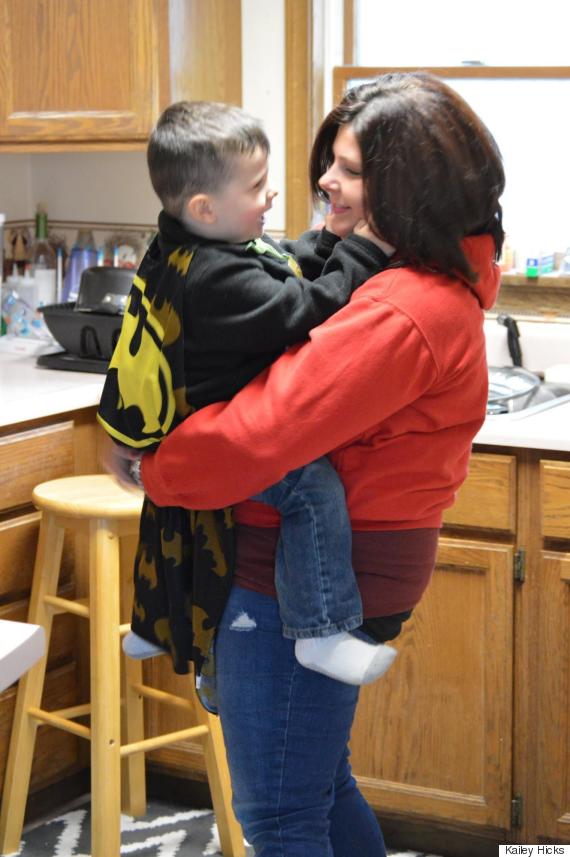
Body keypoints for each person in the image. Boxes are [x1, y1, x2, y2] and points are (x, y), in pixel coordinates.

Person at [109, 71, 505, 856]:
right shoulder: (421, 279)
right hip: (332, 566)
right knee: (318, 791)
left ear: (408, 183)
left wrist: (153, 465)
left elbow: (257, 433)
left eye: (351, 169)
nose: (325, 178)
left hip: (292, 581)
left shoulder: (404, 308)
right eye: (333, 160)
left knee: (281, 818)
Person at [97, 100, 396, 686]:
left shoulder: (180, 246)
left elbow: (278, 263)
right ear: (207, 207)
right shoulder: (218, 278)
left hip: (180, 424)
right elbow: (306, 306)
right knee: (311, 489)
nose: (272, 195)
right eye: (258, 186)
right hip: (223, 436)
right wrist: (365, 250)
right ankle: (322, 631)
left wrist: (325, 242)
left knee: (171, 519)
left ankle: (152, 627)